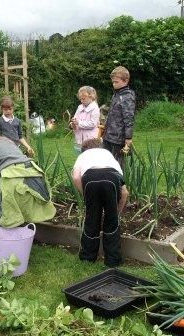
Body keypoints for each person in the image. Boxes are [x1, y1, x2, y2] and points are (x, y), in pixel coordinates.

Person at [0, 117, 55, 228]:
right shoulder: (5, 140)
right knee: (17, 210)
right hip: (34, 174)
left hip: (14, 179)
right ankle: (19, 239)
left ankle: (3, 241)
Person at [72, 138, 129, 268]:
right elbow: (125, 193)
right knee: (111, 222)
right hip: (111, 177)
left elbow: (76, 177)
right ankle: (112, 261)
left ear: (84, 149)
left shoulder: (82, 155)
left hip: (90, 178)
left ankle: (88, 258)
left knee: (92, 219)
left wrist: (86, 194)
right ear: (101, 147)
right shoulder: (108, 155)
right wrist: (116, 212)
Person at [102, 66, 136, 171]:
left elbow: (128, 118)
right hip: (108, 135)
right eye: (113, 82)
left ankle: (120, 186)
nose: (114, 84)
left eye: (116, 82)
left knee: (117, 165)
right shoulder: (116, 95)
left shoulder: (127, 96)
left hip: (118, 137)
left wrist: (128, 137)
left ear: (126, 80)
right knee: (106, 162)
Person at [69, 86, 100, 152]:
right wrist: (72, 124)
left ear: (91, 97)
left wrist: (78, 123)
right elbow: (75, 119)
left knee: (89, 158)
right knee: (80, 157)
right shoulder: (79, 107)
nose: (81, 101)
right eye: (80, 99)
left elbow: (93, 124)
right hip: (79, 138)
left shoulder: (95, 108)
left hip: (90, 140)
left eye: (83, 99)